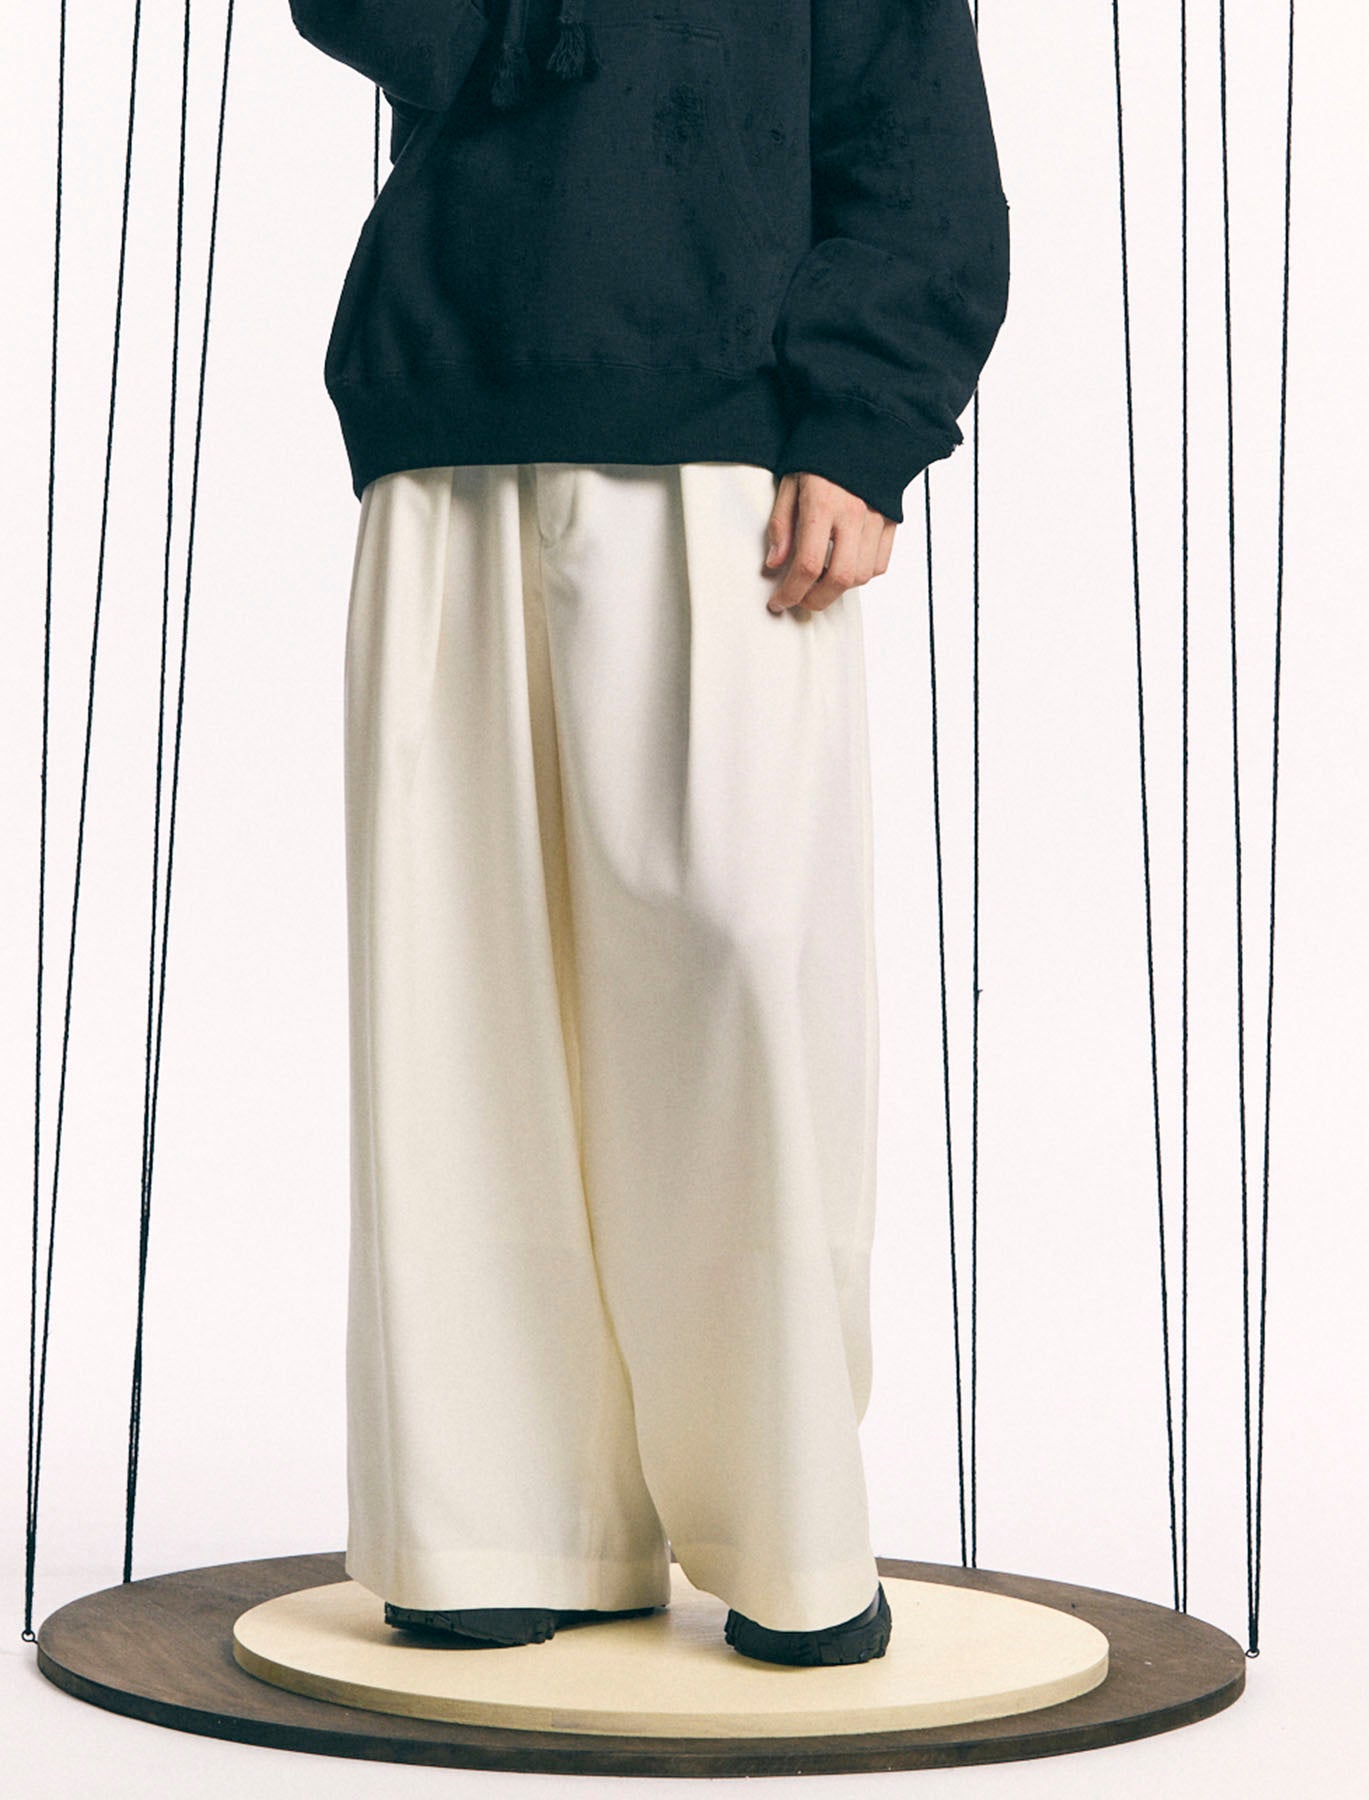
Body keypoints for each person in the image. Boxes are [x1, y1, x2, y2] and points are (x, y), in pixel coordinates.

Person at [288, 0, 1009, 1668]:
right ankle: (498, 1522)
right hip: (452, 400)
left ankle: (787, 1522)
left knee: (743, 961)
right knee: (460, 994)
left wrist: (866, 424)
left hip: (732, 432)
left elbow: (914, 132)